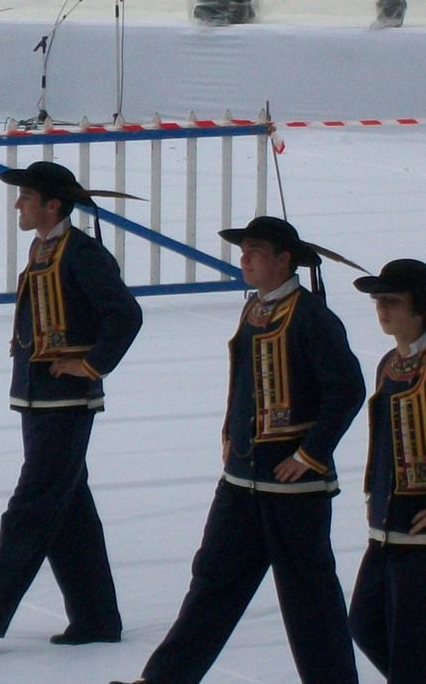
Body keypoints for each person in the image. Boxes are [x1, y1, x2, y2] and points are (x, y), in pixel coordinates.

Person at [111, 215, 365, 684]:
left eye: (256, 252)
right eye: (243, 250)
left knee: (310, 602)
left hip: (293, 491)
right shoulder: (255, 309)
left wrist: (310, 455)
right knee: (211, 584)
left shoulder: (311, 317)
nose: (244, 259)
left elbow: (347, 390)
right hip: (241, 482)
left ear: (284, 260)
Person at [0, 161, 142, 651]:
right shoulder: (47, 247)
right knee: (68, 513)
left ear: (52, 204)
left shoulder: (82, 254)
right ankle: (96, 619)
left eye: (26, 197)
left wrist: (92, 365)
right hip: (39, 399)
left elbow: (125, 314)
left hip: (65, 403)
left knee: (29, 510)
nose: (18, 204)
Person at [348, 258, 426, 684]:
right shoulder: (388, 364)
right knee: (365, 623)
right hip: (386, 528)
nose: (382, 309)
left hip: (419, 533)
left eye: (393, 301)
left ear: (420, 309)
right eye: (379, 300)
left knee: (411, 644)